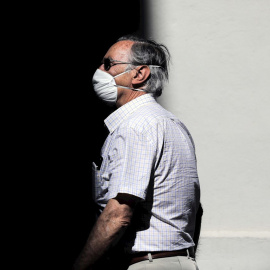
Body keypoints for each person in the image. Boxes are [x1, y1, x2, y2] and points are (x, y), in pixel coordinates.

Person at [73, 34, 202, 270]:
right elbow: (196, 210)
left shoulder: (137, 126)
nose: (100, 70)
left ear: (139, 74)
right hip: (176, 261)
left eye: (108, 64)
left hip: (148, 263)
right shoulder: (170, 123)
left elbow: (118, 214)